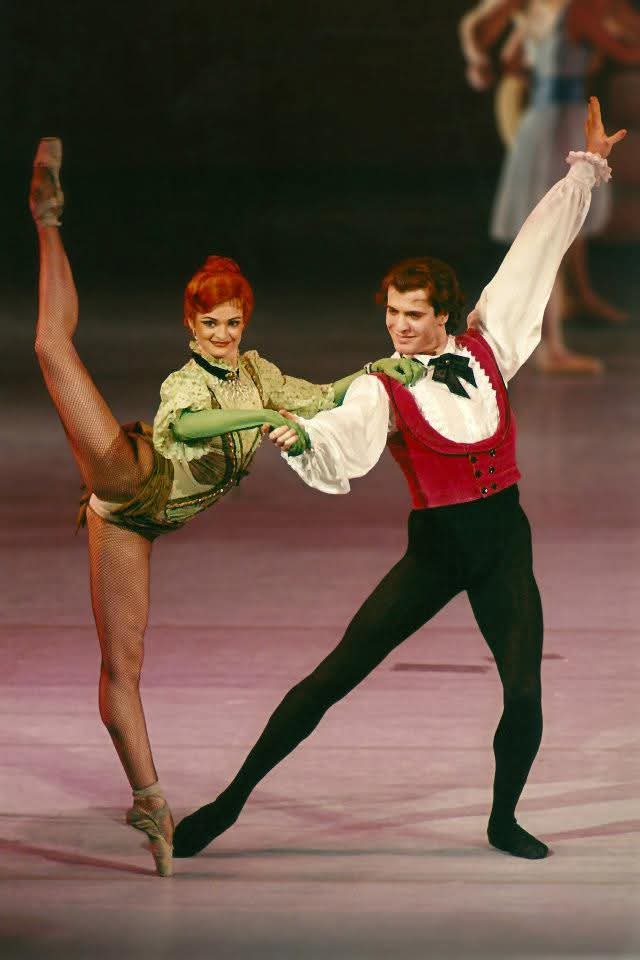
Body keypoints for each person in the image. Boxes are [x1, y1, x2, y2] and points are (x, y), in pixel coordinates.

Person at [172, 98, 625, 862]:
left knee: (524, 691)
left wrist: (585, 171)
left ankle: (502, 819)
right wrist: (301, 434)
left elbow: (534, 255)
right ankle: (229, 802)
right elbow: (342, 435)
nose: (400, 326)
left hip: (504, 543)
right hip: (437, 551)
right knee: (333, 677)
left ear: (446, 314)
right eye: (392, 313)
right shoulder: (380, 385)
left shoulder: (489, 346)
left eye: (414, 315)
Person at [29, 139, 423, 876]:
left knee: (125, 664)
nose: (221, 335)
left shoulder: (258, 372)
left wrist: (378, 371)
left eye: (232, 324)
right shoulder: (187, 382)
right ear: (191, 328)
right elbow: (182, 428)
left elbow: (320, 396)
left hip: (135, 527)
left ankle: (145, 800)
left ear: (245, 323)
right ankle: (47, 218)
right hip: (129, 477)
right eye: (209, 325)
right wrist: (258, 417)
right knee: (53, 348)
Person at [460, 0, 640, 373]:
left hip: (542, 121)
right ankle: (550, 348)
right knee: (551, 236)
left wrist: (543, 78)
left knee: (545, 236)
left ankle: (537, 339)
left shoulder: (538, 16)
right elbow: (623, 51)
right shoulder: (577, 12)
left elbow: (510, 60)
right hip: (561, 125)